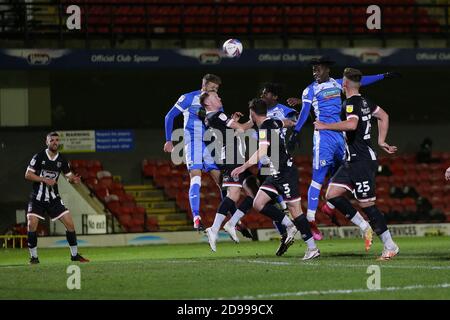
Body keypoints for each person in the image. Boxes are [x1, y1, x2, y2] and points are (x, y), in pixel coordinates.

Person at [287, 56, 399, 240]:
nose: (315, 72)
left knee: (347, 175)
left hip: (342, 137)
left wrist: (384, 75)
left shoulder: (338, 84)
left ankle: (330, 207)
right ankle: (311, 221)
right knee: (318, 177)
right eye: (313, 70)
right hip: (324, 138)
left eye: (318, 69)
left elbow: (359, 81)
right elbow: (306, 111)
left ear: (327, 70)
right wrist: (297, 132)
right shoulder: (309, 90)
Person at [314, 68, 399, 260]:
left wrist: (325, 126)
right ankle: (364, 226)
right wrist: (381, 141)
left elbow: (352, 125)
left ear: (344, 85)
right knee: (332, 194)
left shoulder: (351, 103)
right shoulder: (366, 101)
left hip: (361, 160)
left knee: (367, 204)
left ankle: (390, 245)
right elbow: (384, 116)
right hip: (351, 160)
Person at [232, 99, 320, 261]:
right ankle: (289, 224)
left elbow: (262, 151)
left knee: (296, 210)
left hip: (285, 173)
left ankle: (312, 247)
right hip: (274, 174)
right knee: (258, 203)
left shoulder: (265, 127)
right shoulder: (272, 121)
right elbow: (286, 122)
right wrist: (295, 125)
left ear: (252, 113)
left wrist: (242, 167)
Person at [163, 74, 222, 230]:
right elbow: (169, 116)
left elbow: (220, 123)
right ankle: (196, 217)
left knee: (221, 180)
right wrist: (169, 140)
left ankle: (233, 219)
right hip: (193, 142)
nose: (215, 91)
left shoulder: (216, 101)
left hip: (210, 144)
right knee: (196, 177)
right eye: (212, 88)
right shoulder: (188, 98)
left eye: (217, 89)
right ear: (204, 85)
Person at [199, 91, 256, 251]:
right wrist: (255, 117)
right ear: (208, 103)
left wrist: (233, 124)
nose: (220, 98)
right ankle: (217, 228)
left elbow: (232, 132)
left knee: (249, 193)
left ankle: (226, 225)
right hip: (232, 157)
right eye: (216, 97)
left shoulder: (209, 119)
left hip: (229, 157)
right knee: (236, 194)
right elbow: (242, 129)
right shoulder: (219, 115)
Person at [25, 132, 89, 264]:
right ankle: (34, 258)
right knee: (31, 224)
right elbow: (28, 175)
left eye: (56, 140)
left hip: (54, 198)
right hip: (37, 198)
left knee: (70, 224)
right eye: (52, 140)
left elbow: (68, 176)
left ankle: (75, 255)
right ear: (46, 142)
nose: (54, 142)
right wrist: (44, 179)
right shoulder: (39, 156)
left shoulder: (62, 159)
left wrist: (73, 180)